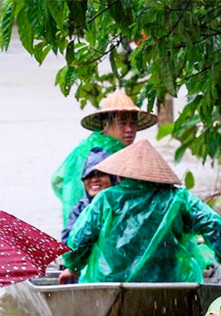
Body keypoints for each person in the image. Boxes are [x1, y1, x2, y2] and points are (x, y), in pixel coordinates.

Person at [64, 139, 221, 284]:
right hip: (169, 281)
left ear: (119, 174)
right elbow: (212, 224)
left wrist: (72, 267)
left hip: (111, 281)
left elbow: (81, 238)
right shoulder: (178, 198)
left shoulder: (107, 199)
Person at [52, 90, 157, 226]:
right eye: (122, 123)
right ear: (105, 123)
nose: (129, 129)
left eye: (133, 123)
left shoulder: (115, 151)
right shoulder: (95, 153)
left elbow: (58, 181)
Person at [61, 147, 116, 245]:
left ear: (113, 178)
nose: (94, 180)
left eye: (100, 174)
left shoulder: (122, 205)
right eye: (89, 175)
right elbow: (68, 246)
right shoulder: (79, 208)